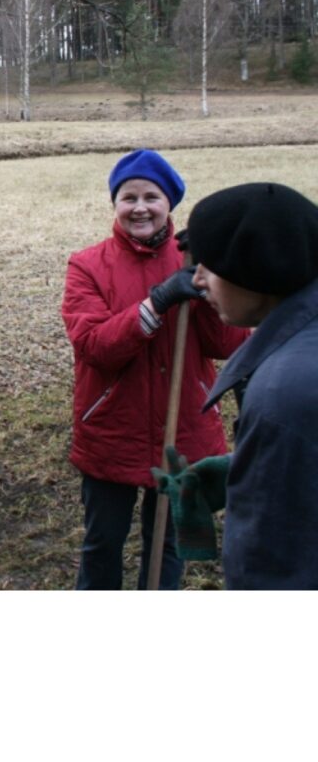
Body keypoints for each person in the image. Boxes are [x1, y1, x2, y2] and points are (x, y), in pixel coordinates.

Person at [61, 150, 250, 590]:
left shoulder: (194, 263)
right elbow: (95, 346)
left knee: (169, 543)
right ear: (115, 204)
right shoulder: (87, 265)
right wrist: (157, 301)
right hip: (112, 427)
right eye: (129, 198)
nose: (140, 208)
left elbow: (227, 344)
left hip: (183, 428)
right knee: (102, 542)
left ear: (169, 204)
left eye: (152, 197)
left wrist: (212, 281)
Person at [156, 181, 318, 589]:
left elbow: (274, 568)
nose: (197, 280)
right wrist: (247, 470)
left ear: (256, 270)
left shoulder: (283, 392)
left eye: (210, 266)